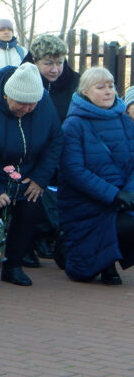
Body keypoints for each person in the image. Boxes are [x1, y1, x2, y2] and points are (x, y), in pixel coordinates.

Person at [0, 63, 62, 289]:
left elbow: (55, 141)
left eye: (31, 105)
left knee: (29, 213)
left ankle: (13, 265)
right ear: (7, 95)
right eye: (20, 104)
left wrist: (40, 178)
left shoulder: (44, 103)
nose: (26, 109)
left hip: (29, 173)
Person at [59, 67, 134, 284]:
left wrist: (128, 192)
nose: (108, 91)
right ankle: (101, 262)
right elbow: (74, 171)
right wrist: (113, 194)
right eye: (100, 87)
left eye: (111, 86)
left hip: (121, 195)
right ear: (85, 92)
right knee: (82, 274)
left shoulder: (124, 121)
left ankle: (109, 261)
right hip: (85, 201)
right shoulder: (74, 125)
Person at [21, 34, 80, 266]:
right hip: (32, 149)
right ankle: (35, 235)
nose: (55, 69)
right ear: (34, 62)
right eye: (48, 63)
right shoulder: (22, 78)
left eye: (59, 62)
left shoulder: (75, 83)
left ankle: (55, 234)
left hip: (66, 148)